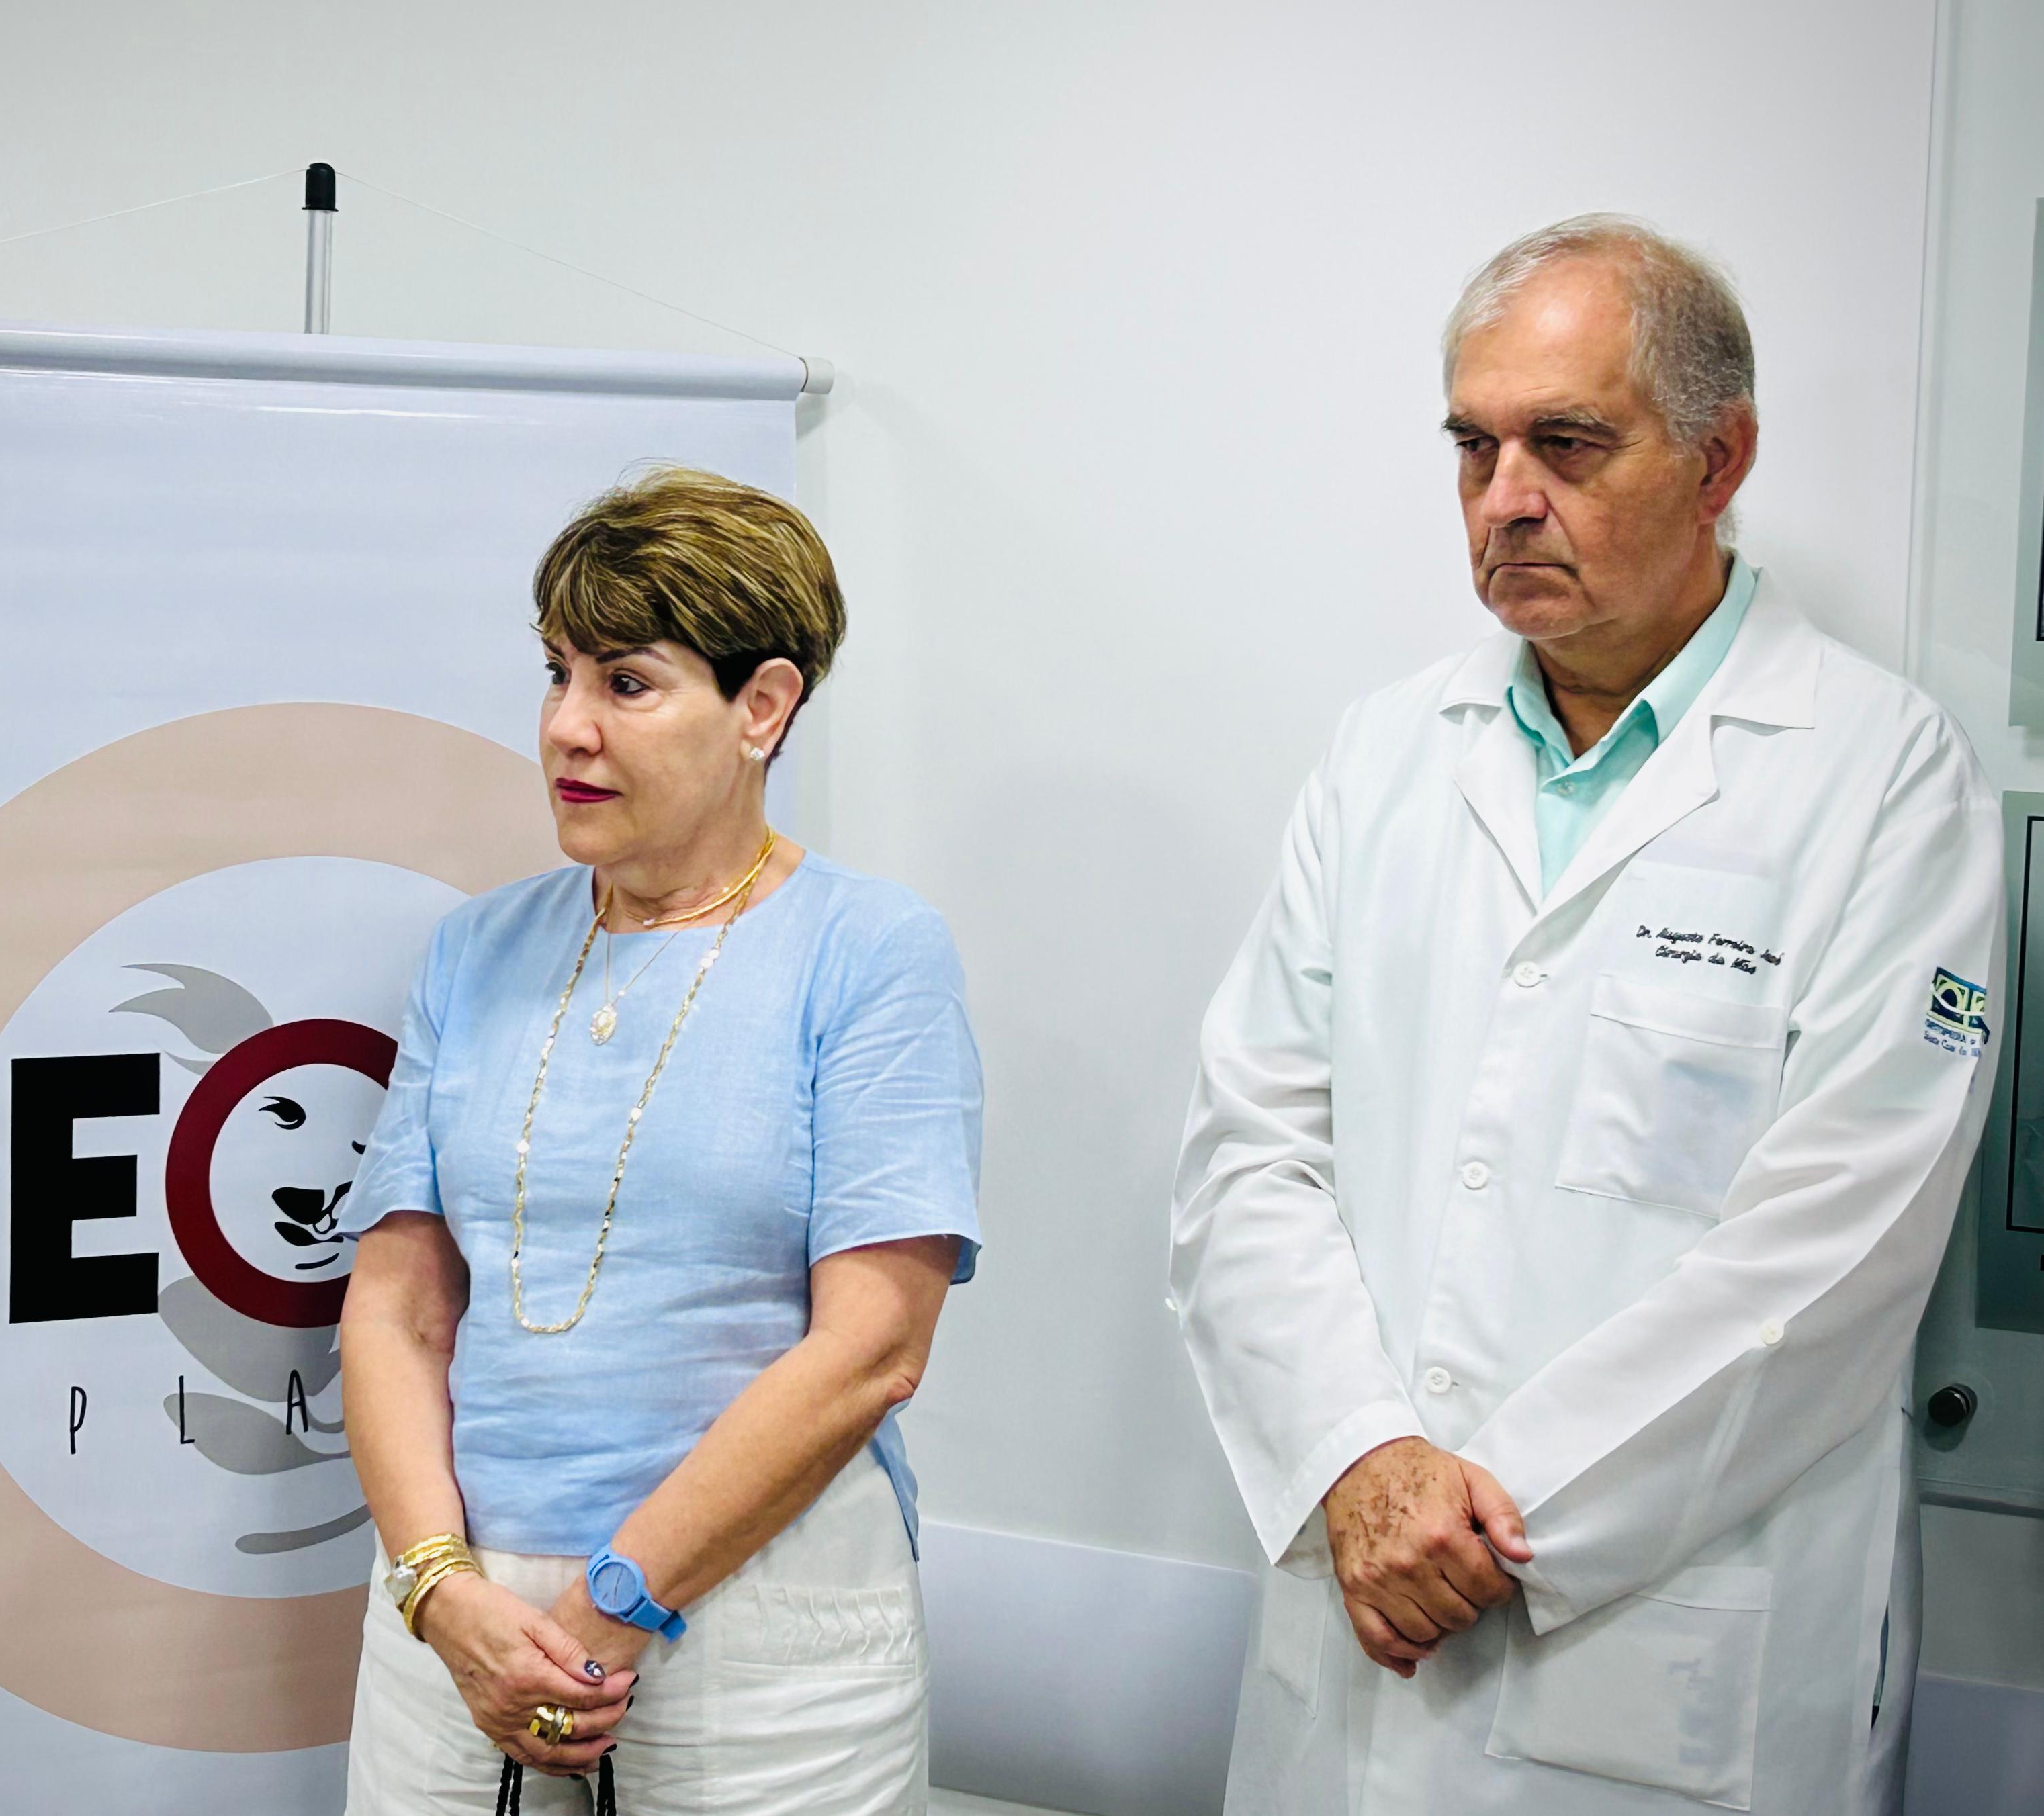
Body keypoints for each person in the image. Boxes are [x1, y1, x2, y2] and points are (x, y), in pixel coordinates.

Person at [1171, 215, 2002, 1815]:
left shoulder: (1883, 779)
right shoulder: (1384, 754)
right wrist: (1358, 1455)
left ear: (1717, 459)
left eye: (1565, 443)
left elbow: (1836, 1246)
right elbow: (1248, 1146)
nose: (1504, 497)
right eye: (1471, 446)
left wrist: (1483, 1519)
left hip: (1661, 1650)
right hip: (1359, 1611)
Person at [337, 467, 983, 1814]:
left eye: (626, 682)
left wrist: (612, 1605)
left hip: (760, 1634)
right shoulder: (474, 950)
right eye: (557, 673)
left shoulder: (869, 950)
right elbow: (396, 1308)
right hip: (460, 1626)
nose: (566, 726)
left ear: (762, 707)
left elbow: (871, 1346)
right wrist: (440, 1589)